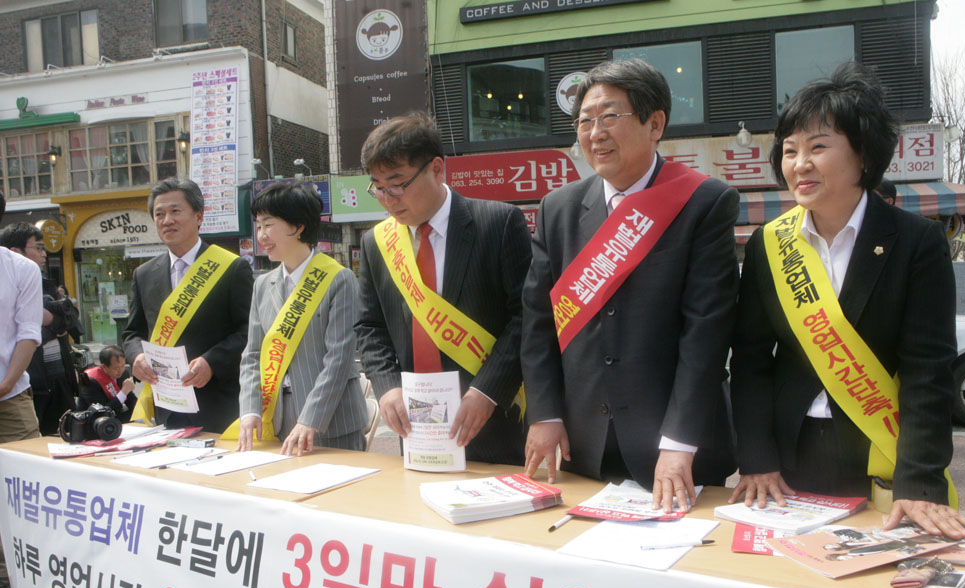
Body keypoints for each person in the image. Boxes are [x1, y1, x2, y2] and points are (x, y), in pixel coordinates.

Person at [729, 62, 965, 539]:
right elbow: (751, 360)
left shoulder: (916, 242)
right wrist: (756, 458)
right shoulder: (768, 243)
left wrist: (921, 482)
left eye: (818, 147)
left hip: (881, 454)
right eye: (790, 150)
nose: (800, 163)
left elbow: (928, 370)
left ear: (863, 153)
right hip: (788, 459)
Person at [521, 58, 740, 510]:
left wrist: (678, 442)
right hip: (584, 444)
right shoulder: (557, 208)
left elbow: (705, 332)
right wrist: (545, 413)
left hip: (676, 453)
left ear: (654, 123)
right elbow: (539, 321)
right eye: (585, 121)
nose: (594, 133)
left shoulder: (704, 201)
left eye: (609, 117)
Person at [355, 112, 531, 464]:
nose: (388, 199)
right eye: (378, 187)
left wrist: (486, 391)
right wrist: (387, 388)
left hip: (491, 422)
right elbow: (369, 326)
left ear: (437, 169)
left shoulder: (497, 224)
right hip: (416, 427)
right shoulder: (377, 243)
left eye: (397, 184)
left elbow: (526, 317)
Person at [233, 181, 368, 455]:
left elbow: (339, 358)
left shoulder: (338, 279)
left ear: (297, 226)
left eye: (268, 225)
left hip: (331, 422)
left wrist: (311, 419)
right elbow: (253, 354)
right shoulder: (263, 285)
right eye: (258, 226)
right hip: (277, 420)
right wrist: (249, 410)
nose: (261, 236)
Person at [123, 178, 253, 432]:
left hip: (217, 404)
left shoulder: (231, 267)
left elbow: (249, 330)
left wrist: (212, 362)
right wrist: (137, 356)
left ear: (199, 216)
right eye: (159, 214)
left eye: (175, 211)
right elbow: (132, 332)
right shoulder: (144, 274)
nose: (167, 220)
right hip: (166, 406)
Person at [0, 222, 79, 435]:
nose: (43, 254)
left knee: (40, 445)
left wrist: (6, 385)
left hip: (21, 387)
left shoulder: (29, 274)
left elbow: (67, 321)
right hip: (35, 375)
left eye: (43, 248)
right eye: (38, 248)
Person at [77, 345, 136, 422]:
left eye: (123, 366)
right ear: (104, 366)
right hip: (94, 420)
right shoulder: (89, 380)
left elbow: (130, 398)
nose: (120, 370)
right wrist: (123, 392)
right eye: (116, 368)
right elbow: (101, 411)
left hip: (115, 415)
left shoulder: (124, 374)